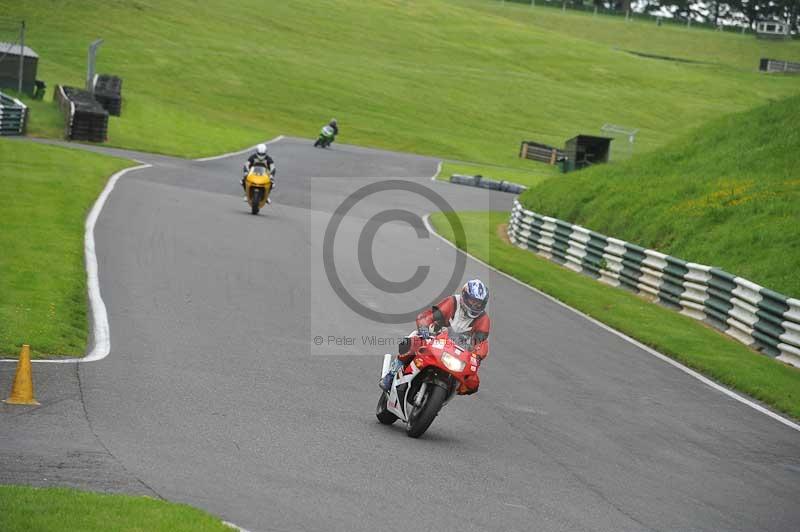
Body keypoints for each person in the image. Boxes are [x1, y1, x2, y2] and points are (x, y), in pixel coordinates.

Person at [379, 279, 490, 395]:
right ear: (464, 296)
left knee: (473, 382)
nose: (474, 305)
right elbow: (428, 317)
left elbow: (481, 342)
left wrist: (477, 356)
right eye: (472, 301)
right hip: (435, 339)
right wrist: (424, 330)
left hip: (460, 352)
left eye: (478, 303)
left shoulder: (483, 319)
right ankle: (391, 374)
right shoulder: (453, 302)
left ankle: (449, 392)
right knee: (412, 342)